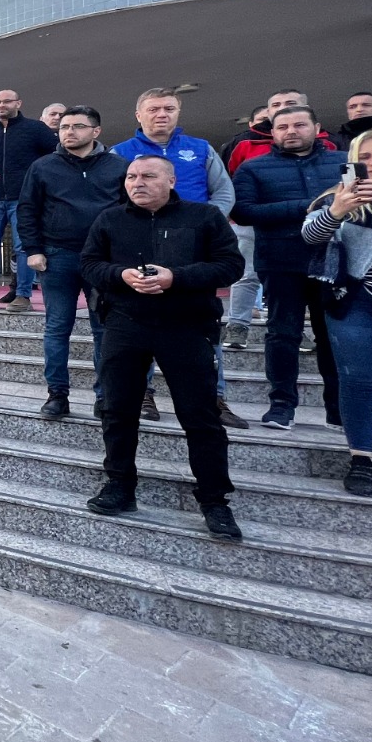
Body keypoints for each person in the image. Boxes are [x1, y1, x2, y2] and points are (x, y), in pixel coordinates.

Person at [80, 156, 245, 541]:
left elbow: (230, 265)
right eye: (132, 177)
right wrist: (120, 275)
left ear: (170, 181)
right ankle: (120, 485)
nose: (137, 183)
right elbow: (88, 264)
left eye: (148, 176)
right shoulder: (109, 219)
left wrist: (176, 278)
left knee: (200, 416)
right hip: (125, 323)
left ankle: (214, 499)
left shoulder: (203, 216)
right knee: (117, 410)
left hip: (186, 326)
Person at [112, 88, 235, 423]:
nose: (161, 114)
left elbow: (223, 190)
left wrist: (207, 224)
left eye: (169, 108)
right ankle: (144, 395)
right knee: (140, 322)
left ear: (178, 112)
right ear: (139, 114)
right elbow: (111, 198)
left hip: (193, 250)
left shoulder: (200, 149)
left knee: (203, 324)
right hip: (140, 243)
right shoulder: (121, 153)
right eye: (153, 109)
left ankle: (215, 397)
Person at [231, 105, 346, 430]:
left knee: (332, 338)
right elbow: (243, 212)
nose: (291, 131)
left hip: (335, 264)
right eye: (283, 127)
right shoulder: (254, 168)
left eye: (299, 125)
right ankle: (281, 406)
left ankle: (339, 410)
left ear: (316, 126)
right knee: (283, 335)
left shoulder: (342, 163)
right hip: (281, 263)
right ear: (274, 132)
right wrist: (310, 206)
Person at [16, 106, 128, 420]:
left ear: (96, 131)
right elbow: (27, 211)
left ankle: (105, 396)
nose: (69, 132)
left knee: (104, 331)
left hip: (103, 262)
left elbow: (128, 213)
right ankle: (57, 395)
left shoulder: (118, 166)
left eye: (78, 126)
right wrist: (33, 250)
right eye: (64, 126)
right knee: (56, 329)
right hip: (56, 257)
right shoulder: (42, 167)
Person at [303, 128, 372, 495]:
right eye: (366, 156)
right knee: (358, 379)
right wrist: (337, 211)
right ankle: (361, 456)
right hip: (352, 296)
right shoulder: (337, 195)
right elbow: (310, 237)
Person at [0, 90, 57, 312]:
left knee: (24, 247)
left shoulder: (36, 130)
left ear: (18, 103)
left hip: (25, 199)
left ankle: (23, 296)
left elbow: (55, 158)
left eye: (7, 101)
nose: (2, 105)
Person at [220, 105, 273, 351]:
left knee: (283, 277)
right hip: (247, 221)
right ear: (252, 124)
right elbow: (228, 182)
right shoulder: (241, 146)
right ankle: (237, 325)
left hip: (291, 224)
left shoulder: (316, 144)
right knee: (246, 275)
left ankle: (279, 321)